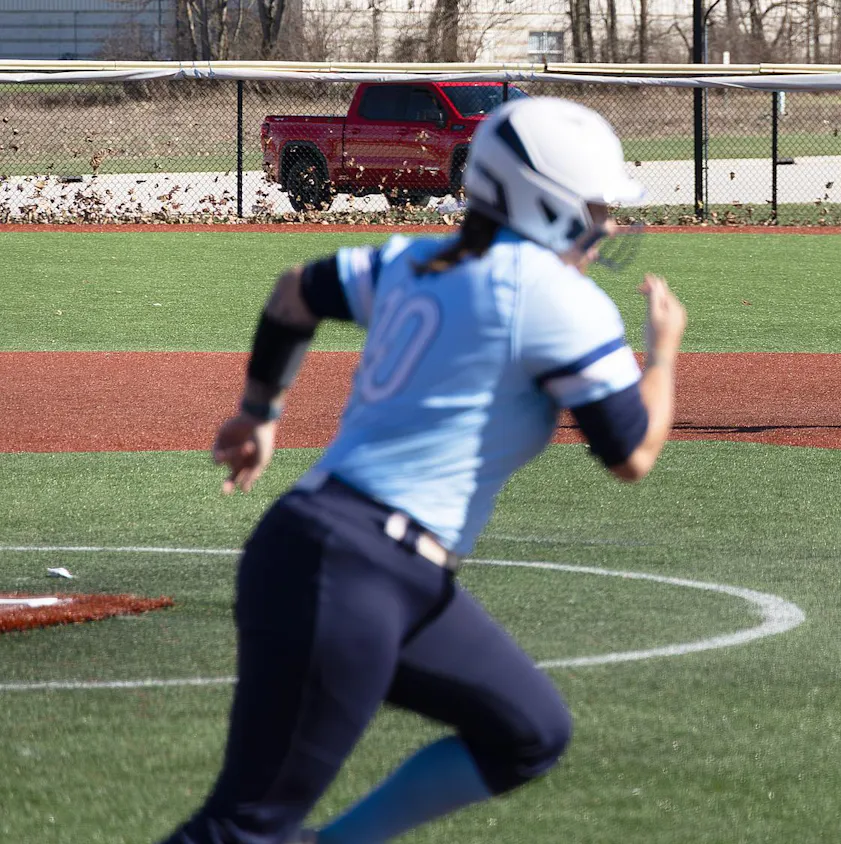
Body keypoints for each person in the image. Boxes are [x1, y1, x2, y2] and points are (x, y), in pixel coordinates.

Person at [159, 96, 687, 844]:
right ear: (546, 202)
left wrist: (260, 412)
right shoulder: (559, 298)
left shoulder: (415, 256)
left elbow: (293, 294)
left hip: (368, 564)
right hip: (355, 566)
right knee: (243, 827)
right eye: (595, 206)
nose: (605, 224)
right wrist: (663, 352)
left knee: (528, 729)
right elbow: (632, 453)